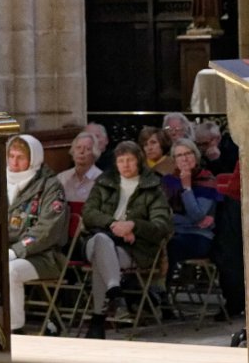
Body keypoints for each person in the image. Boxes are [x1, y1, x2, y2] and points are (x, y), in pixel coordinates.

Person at [82, 141, 173, 338]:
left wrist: (134, 225)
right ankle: (115, 289)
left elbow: (162, 227)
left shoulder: (153, 188)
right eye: (121, 160)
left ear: (139, 161)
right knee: (100, 241)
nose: (125, 165)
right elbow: (88, 214)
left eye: (130, 160)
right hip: (100, 237)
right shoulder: (104, 182)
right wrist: (114, 224)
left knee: (102, 261)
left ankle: (98, 320)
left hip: (133, 248)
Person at [5, 134, 69, 334]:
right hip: (3, 250)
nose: (14, 162)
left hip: (44, 256)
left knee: (10, 271)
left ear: (33, 159)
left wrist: (16, 250)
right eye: (11, 156)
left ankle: (14, 330)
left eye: (20, 157)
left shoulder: (51, 186)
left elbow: (48, 229)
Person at [161, 139, 222, 270]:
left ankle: (159, 288)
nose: (185, 159)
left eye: (188, 153)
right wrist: (182, 221)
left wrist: (187, 187)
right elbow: (163, 215)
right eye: (179, 155)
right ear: (174, 160)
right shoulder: (167, 182)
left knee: (170, 246)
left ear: (196, 155)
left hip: (199, 236)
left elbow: (197, 216)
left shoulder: (207, 180)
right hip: (172, 232)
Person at [56, 131, 103, 203]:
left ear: (94, 153)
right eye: (78, 147)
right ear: (73, 151)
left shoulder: (102, 180)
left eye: (87, 149)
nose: (81, 151)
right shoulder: (62, 178)